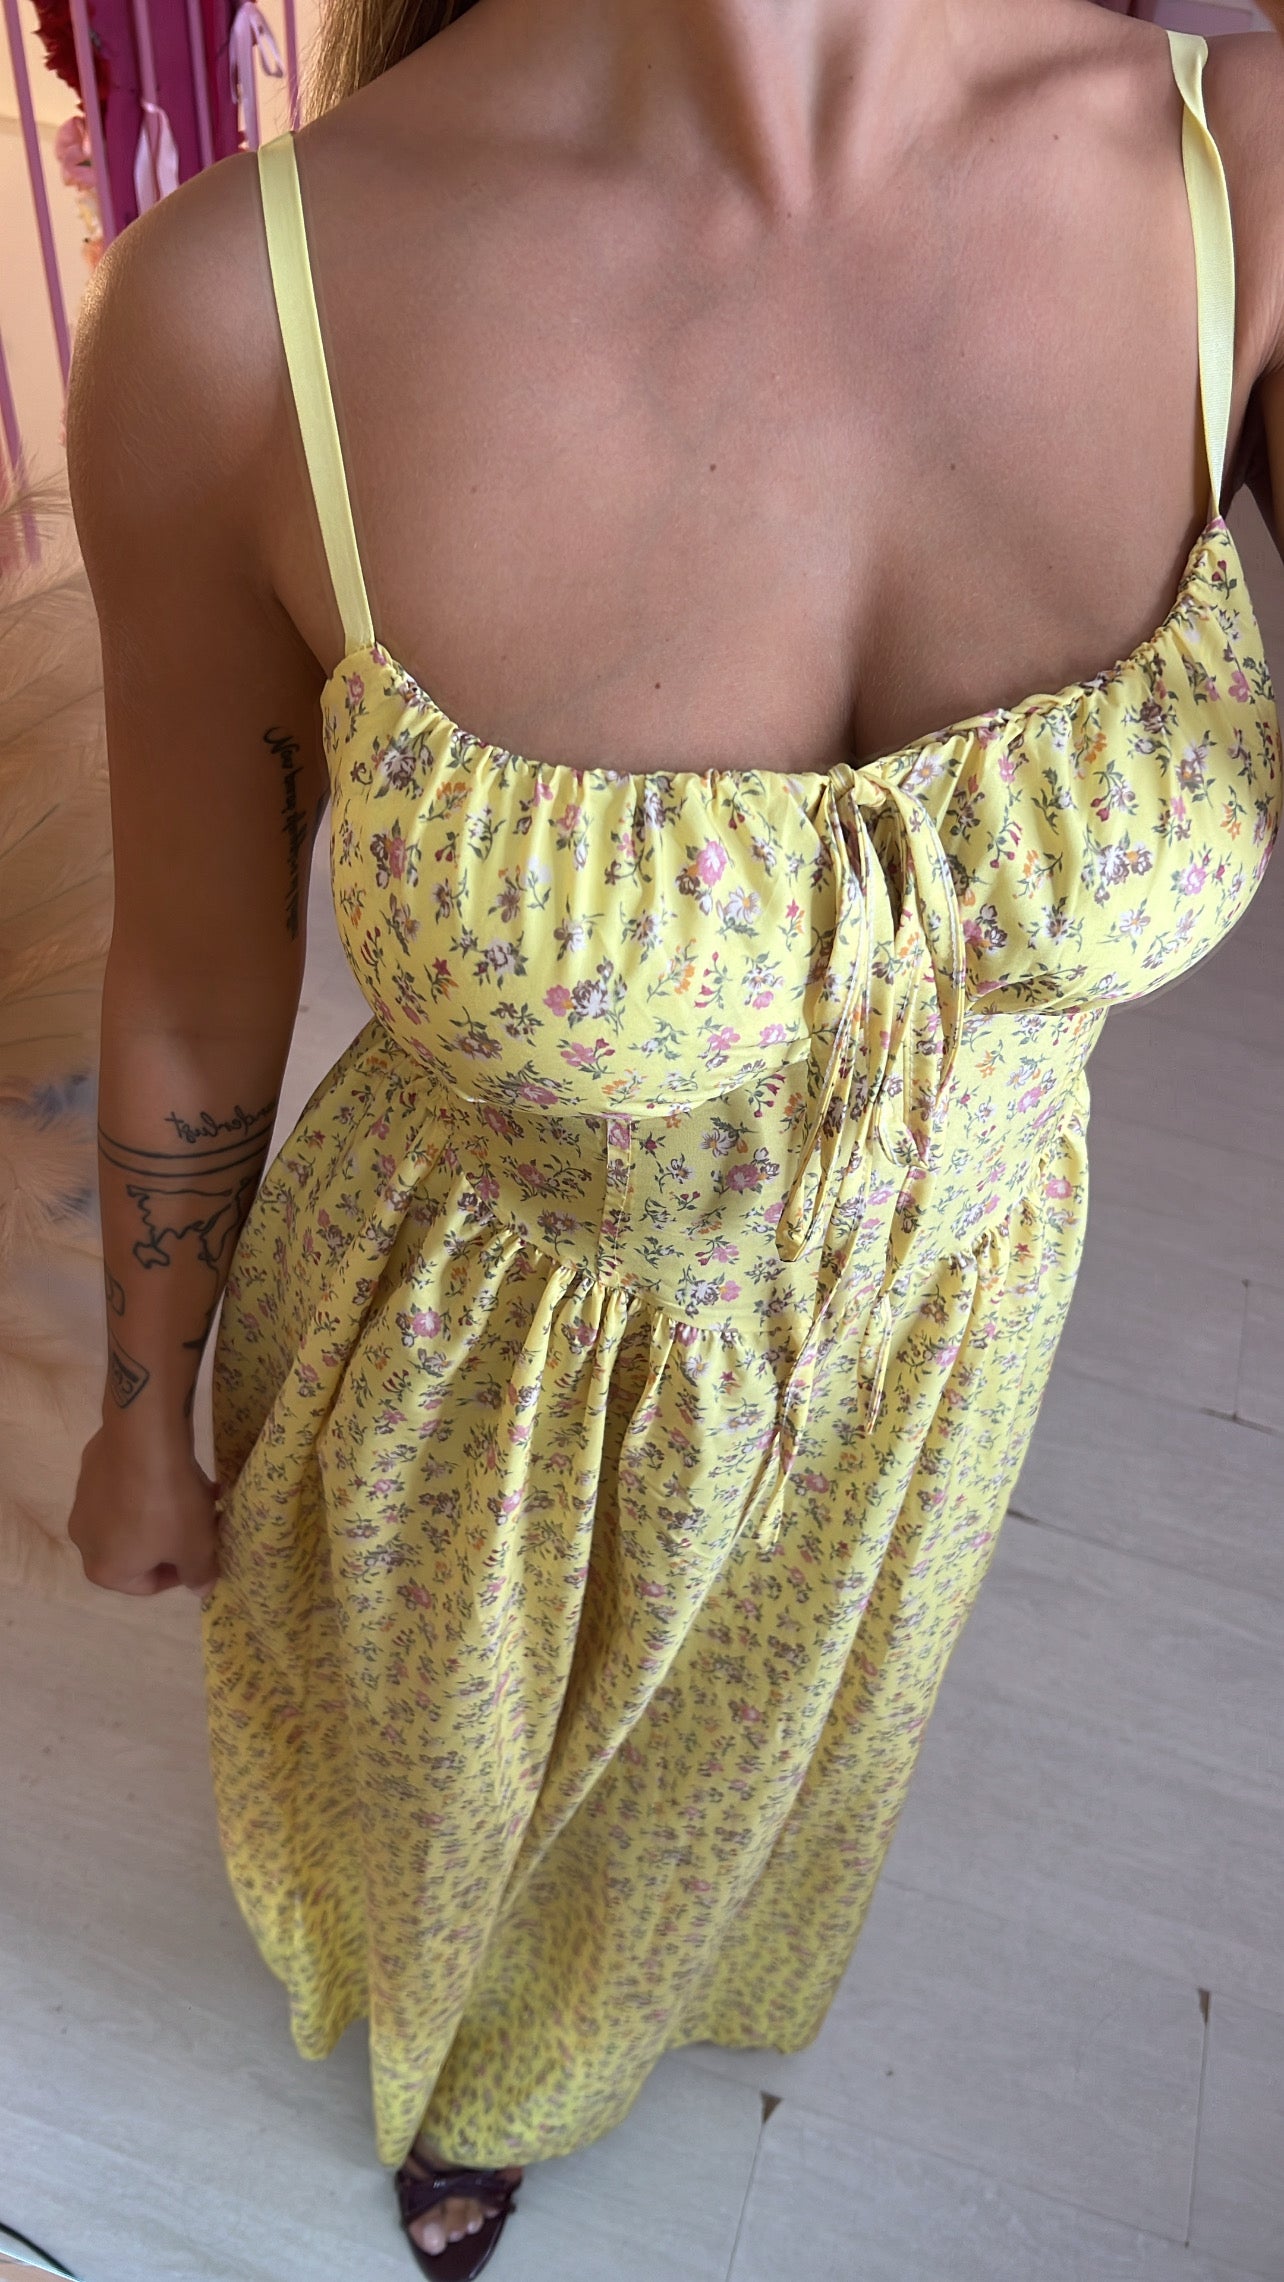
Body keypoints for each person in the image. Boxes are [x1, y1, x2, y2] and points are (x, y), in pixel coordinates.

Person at [64, 0, 1283, 2272]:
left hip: (935, 1352)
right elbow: (195, 970)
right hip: (476, 1390)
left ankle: (577, 2043)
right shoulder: (247, 312)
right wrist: (144, 1408)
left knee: (738, 1779)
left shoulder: (1245, 171)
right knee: (449, 1807)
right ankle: (463, 2080)